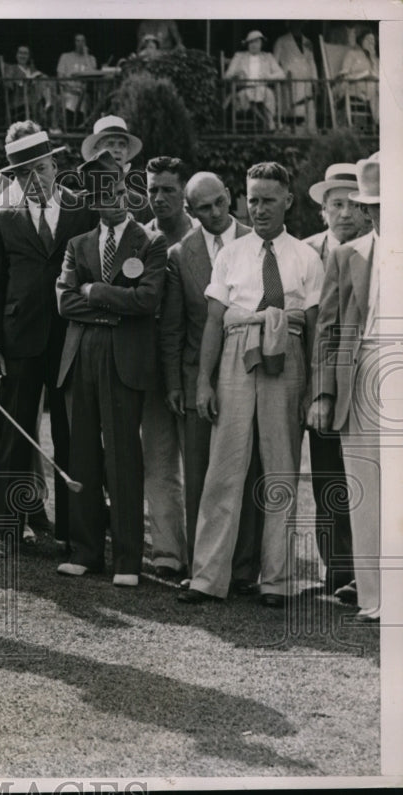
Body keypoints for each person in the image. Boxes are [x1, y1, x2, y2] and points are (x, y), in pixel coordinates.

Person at [180, 162, 323, 607]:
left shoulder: (305, 256)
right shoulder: (230, 254)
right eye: (253, 199)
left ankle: (276, 580)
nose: (258, 209)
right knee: (224, 470)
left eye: (268, 200)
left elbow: (316, 329)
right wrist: (203, 381)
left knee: (280, 469)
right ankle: (207, 577)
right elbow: (213, 322)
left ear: (288, 202)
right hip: (236, 357)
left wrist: (311, 391)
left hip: (289, 356)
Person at [54, 150, 167, 587]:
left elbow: (147, 300)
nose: (115, 200)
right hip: (81, 355)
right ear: (92, 199)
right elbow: (64, 301)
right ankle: (85, 551)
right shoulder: (77, 244)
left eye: (120, 190)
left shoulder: (149, 242)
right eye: (105, 194)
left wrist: (95, 291)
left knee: (122, 454)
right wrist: (111, 304)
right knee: (81, 451)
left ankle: (126, 559)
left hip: (125, 359)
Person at [0, 126, 93, 546]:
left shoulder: (82, 212)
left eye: (41, 169)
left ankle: (72, 529)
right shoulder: (3, 219)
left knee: (70, 433)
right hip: (18, 341)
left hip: (68, 340)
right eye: (24, 173)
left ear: (55, 166)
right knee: (15, 436)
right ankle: (9, 527)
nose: (35, 180)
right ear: (14, 178)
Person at [159, 171, 265, 591]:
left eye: (221, 202)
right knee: (201, 475)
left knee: (249, 471)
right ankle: (202, 567)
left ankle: (243, 571)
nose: (217, 212)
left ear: (230, 197)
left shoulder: (258, 243)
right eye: (205, 208)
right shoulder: (180, 254)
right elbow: (171, 327)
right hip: (193, 378)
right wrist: (174, 383)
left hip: (249, 372)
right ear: (190, 211)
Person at [307, 153, 382, 623]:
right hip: (360, 375)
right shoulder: (345, 255)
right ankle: (374, 596)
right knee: (364, 488)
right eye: (372, 204)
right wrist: (323, 393)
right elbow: (329, 330)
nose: (377, 212)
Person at [139, 156, 192, 580]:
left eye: (168, 190)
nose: (158, 198)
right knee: (157, 462)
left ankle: (206, 550)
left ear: (184, 193)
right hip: (152, 370)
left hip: (197, 370)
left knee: (200, 465)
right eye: (153, 189)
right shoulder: (140, 239)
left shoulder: (206, 237)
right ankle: (168, 552)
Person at [80, 115, 151, 223]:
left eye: (122, 145)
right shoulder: (79, 202)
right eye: (110, 144)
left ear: (128, 152)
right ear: (96, 151)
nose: (117, 149)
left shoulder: (141, 205)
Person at [224, 31, 285, 132]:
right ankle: (269, 122)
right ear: (247, 44)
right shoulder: (239, 56)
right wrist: (237, 76)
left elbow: (281, 75)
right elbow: (227, 75)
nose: (254, 45)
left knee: (267, 94)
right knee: (251, 94)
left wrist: (268, 76)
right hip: (244, 90)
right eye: (251, 42)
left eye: (257, 42)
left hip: (263, 90)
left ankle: (266, 122)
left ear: (261, 44)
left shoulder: (268, 57)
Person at [273, 21, 319, 132]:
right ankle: (290, 131)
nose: (298, 25)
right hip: (290, 79)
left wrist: (315, 80)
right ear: (289, 24)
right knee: (293, 108)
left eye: (300, 23)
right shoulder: (282, 41)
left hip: (306, 78)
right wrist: (281, 76)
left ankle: (309, 131)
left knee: (308, 107)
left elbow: (311, 62)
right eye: (295, 22)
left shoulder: (307, 42)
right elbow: (274, 63)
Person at [3, 45, 54, 131]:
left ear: (29, 56)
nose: (23, 55)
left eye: (25, 53)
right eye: (20, 53)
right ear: (16, 55)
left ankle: (48, 103)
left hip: (33, 96)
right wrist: (23, 82)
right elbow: (8, 84)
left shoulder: (31, 68)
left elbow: (40, 75)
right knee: (40, 83)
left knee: (45, 79)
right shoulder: (11, 68)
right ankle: (48, 104)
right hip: (19, 98)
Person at [336, 28, 379, 125]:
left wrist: (373, 58)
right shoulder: (352, 54)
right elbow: (344, 75)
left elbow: (379, 75)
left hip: (371, 89)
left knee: (379, 89)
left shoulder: (375, 59)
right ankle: (379, 122)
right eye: (368, 39)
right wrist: (363, 74)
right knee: (376, 89)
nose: (371, 43)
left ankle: (380, 122)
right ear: (361, 40)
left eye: (373, 41)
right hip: (355, 87)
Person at [56, 34, 97, 128]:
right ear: (74, 43)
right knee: (70, 102)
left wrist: (86, 55)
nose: (80, 44)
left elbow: (93, 74)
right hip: (68, 92)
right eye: (77, 41)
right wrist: (72, 89)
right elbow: (60, 78)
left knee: (86, 103)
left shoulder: (91, 59)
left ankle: (81, 128)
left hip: (84, 94)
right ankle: (69, 129)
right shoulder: (65, 56)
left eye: (83, 41)